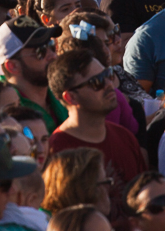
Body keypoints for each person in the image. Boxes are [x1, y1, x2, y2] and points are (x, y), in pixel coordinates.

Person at [47, 48, 147, 197]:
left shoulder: (125, 138)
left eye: (108, 75)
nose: (108, 84)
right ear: (70, 97)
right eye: (96, 82)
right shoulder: (58, 151)